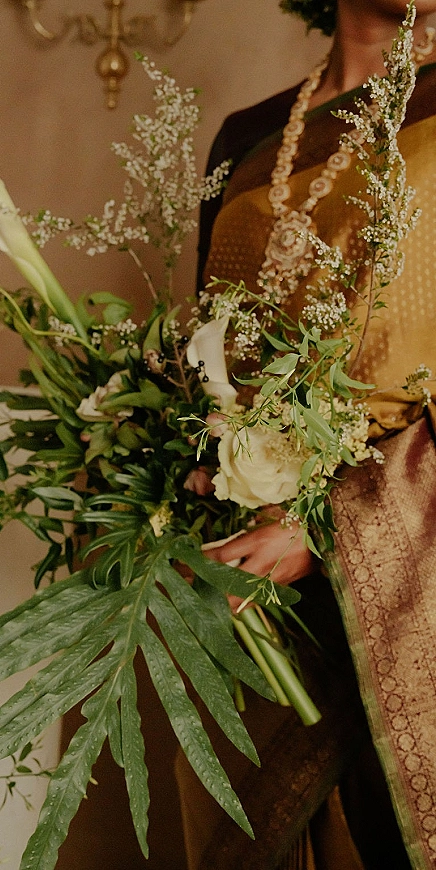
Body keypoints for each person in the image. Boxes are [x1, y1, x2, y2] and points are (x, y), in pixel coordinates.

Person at [175, 2, 436, 868]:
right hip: (253, 570)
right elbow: (207, 351)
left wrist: (326, 523)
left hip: (411, 566)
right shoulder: (249, 136)